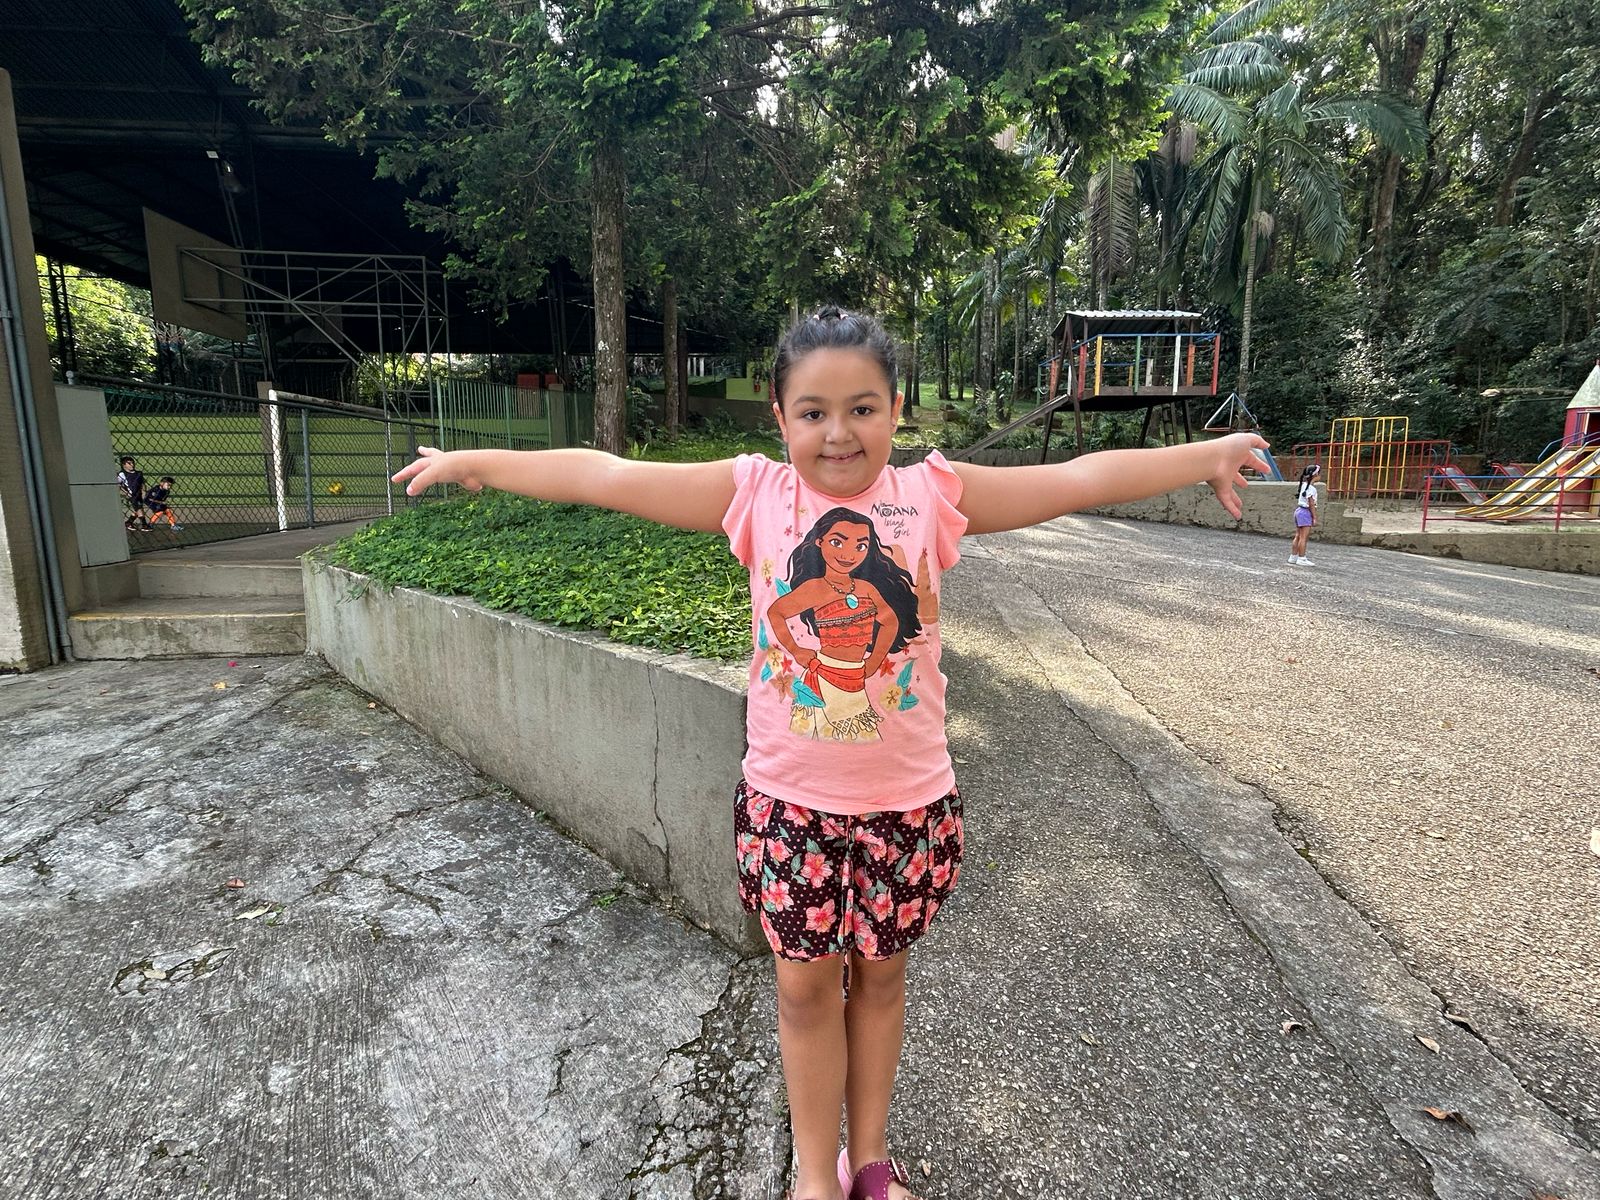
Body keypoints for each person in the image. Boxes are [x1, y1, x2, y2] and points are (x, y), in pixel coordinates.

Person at [391, 307, 1270, 1200]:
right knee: (804, 991)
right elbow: (609, 475)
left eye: (862, 408)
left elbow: (1077, 477)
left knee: (882, 982)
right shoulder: (755, 495)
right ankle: (816, 1179)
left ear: (896, 411)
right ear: (781, 417)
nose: (838, 432)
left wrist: (1201, 456)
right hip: (791, 808)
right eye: (813, 412)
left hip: (907, 806)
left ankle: (869, 1165)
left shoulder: (932, 495)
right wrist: (480, 462)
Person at [1289, 463, 1320, 565]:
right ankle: (1301, 558)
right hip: (1305, 513)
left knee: (1298, 535)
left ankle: (1293, 557)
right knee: (1303, 537)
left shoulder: (1303, 485)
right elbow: (1311, 504)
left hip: (1298, 511)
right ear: (1315, 475)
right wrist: (1314, 517)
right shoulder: (1312, 489)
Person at [116, 455, 148, 531]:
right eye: (129, 463)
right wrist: (126, 492)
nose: (132, 465)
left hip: (139, 494)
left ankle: (128, 522)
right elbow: (118, 484)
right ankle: (144, 525)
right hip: (131, 495)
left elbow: (142, 483)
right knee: (139, 508)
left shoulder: (139, 473)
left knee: (138, 509)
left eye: (132, 463)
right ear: (124, 465)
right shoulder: (122, 474)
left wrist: (144, 491)